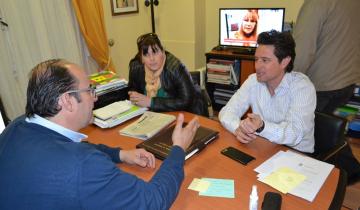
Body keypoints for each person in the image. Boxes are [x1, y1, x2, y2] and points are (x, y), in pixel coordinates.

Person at [0, 59, 200, 209]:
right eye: (89, 90)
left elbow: (71, 147)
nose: (94, 98)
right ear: (67, 101)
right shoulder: (84, 165)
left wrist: (120, 155)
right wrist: (178, 149)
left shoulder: (16, 126)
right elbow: (152, 201)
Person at [293, 0, 360, 184]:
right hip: (348, 80)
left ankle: (312, 182)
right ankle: (351, 170)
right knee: (331, 130)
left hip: (322, 85)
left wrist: (290, 81)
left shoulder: (316, 4)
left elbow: (302, 50)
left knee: (308, 135)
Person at [219, 30, 316, 153]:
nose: (257, 66)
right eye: (256, 59)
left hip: (296, 155)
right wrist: (238, 128)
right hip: (263, 148)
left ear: (285, 62)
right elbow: (226, 113)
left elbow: (294, 134)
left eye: (265, 60)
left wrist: (262, 127)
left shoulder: (302, 87)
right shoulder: (253, 81)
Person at [128, 33, 208, 117]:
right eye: (146, 55)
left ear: (163, 52)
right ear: (141, 58)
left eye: (155, 52)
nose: (152, 59)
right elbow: (132, 90)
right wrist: (134, 97)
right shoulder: (136, 67)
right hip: (151, 117)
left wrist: (151, 102)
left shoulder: (176, 68)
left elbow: (186, 101)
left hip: (183, 115)